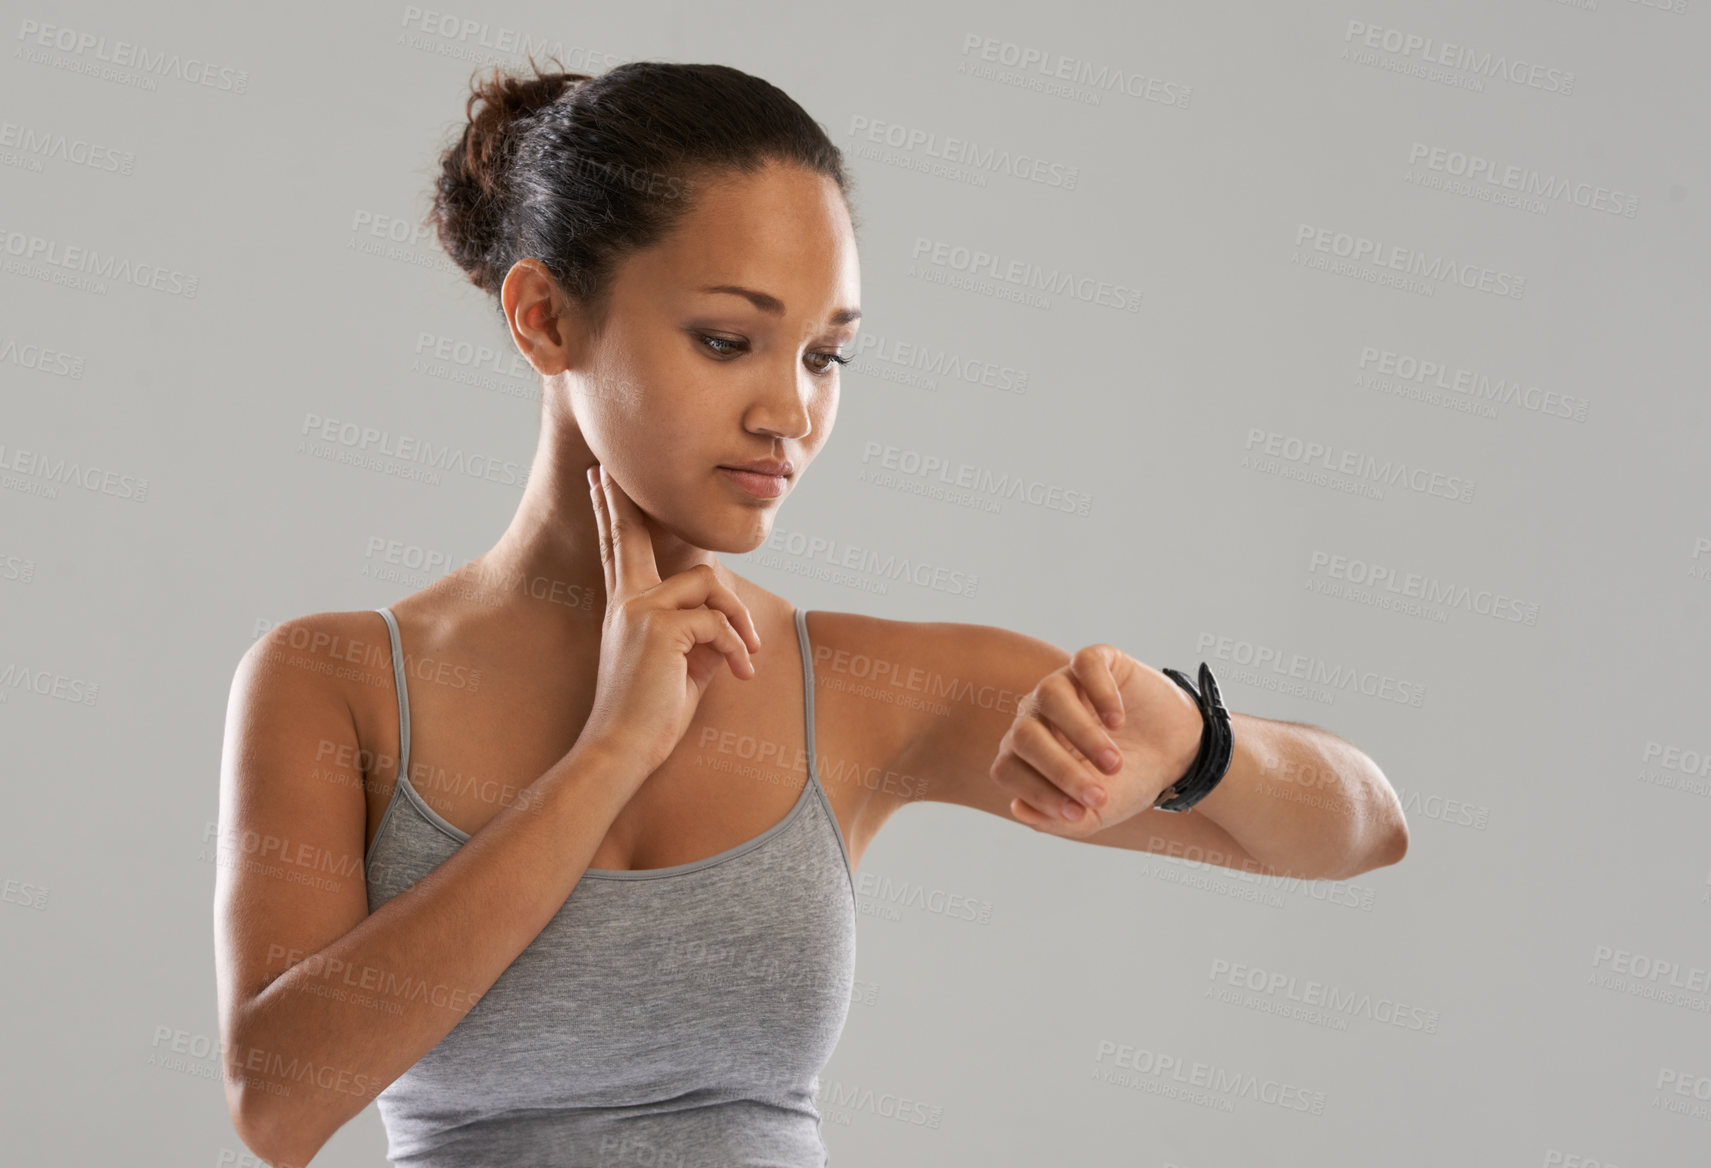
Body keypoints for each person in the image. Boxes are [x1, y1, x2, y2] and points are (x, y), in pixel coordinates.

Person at [213, 57, 1409, 1168]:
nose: (788, 410)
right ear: (546, 319)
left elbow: (1364, 829)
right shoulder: (337, 679)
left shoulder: (852, 689)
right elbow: (278, 1103)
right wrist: (610, 752)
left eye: (826, 357)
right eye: (728, 340)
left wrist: (1199, 748)